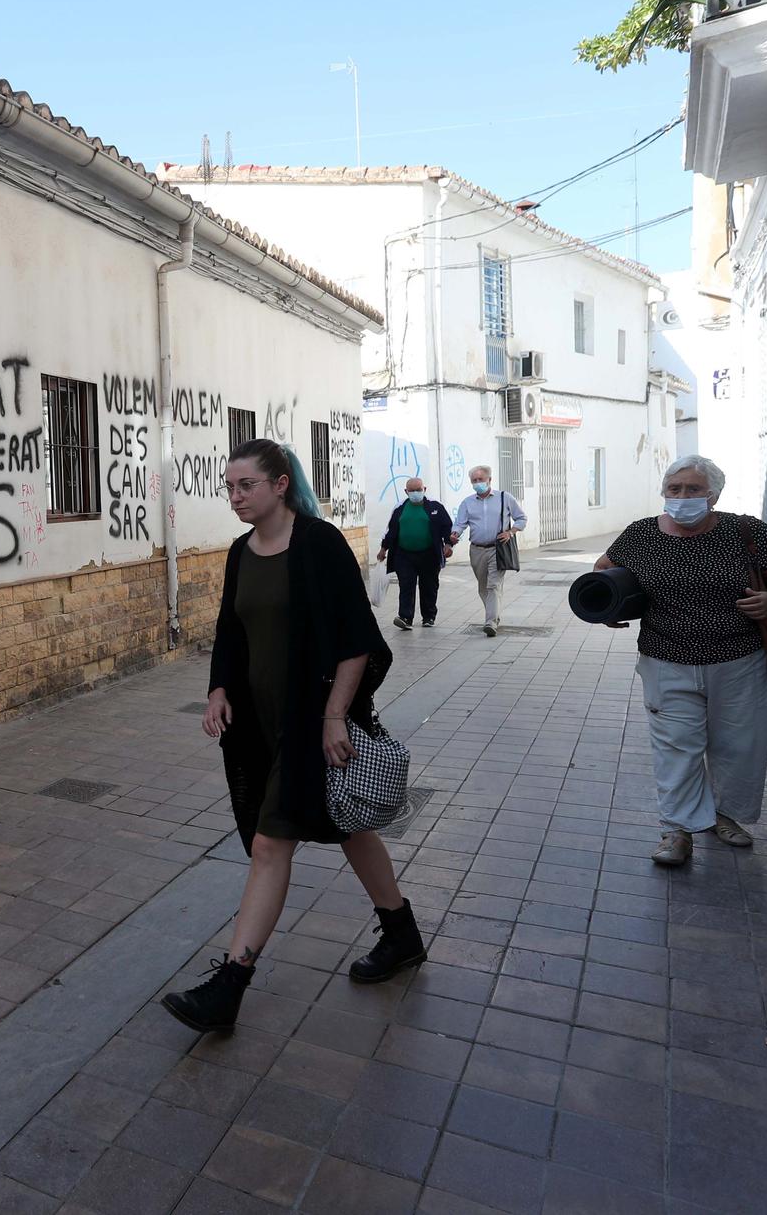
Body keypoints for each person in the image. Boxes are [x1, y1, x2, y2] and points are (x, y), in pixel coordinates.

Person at [161, 438, 425, 1036]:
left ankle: (228, 987)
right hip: (259, 727)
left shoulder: (319, 544)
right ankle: (402, 934)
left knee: (269, 844)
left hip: (311, 725)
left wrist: (335, 716)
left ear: (280, 484)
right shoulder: (240, 552)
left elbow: (357, 639)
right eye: (229, 487)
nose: (235, 497)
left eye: (246, 485)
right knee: (348, 825)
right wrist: (218, 691)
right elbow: (232, 631)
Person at [594, 455, 767, 865]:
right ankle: (677, 830)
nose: (682, 497)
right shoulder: (641, 535)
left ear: (713, 494)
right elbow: (605, 570)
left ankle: (726, 816)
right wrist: (610, 608)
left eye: (693, 489)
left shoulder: (745, 531)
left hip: (741, 660)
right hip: (666, 658)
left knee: (739, 744)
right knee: (676, 746)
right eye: (674, 490)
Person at [449, 467, 525, 637]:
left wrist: (511, 532)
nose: (478, 483)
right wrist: (455, 534)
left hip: (497, 549)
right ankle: (494, 615)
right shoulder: (467, 502)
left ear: (489, 480)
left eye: (480, 479)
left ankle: (490, 622)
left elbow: (521, 518)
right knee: (483, 587)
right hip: (476, 550)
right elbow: (460, 523)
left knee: (493, 585)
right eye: (474, 481)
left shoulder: (505, 498)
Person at [376, 477, 455, 630]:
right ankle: (405, 617)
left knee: (429, 586)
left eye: (418, 490)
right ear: (406, 492)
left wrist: (448, 544)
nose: (415, 493)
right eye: (411, 490)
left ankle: (429, 616)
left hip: (429, 554)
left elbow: (446, 526)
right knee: (406, 585)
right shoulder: (399, 508)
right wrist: (383, 549)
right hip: (404, 555)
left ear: (424, 489)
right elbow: (391, 530)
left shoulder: (435, 507)